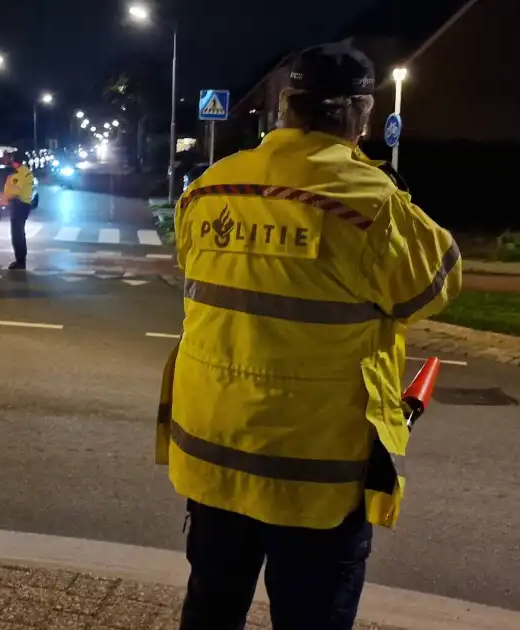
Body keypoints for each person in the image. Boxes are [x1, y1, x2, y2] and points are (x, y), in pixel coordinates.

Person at [163, 43, 462, 630]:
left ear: (284, 107)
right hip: (315, 472)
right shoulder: (371, 203)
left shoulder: (208, 188)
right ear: (360, 114)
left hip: (214, 453)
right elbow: (435, 283)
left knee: (210, 610)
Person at [1, 157, 34, 270]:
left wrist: (0, 201)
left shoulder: (20, 173)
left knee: (17, 234)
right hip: (22, 205)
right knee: (19, 233)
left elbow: (15, 191)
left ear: (15, 162)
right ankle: (20, 260)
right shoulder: (24, 171)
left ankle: (20, 261)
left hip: (19, 205)